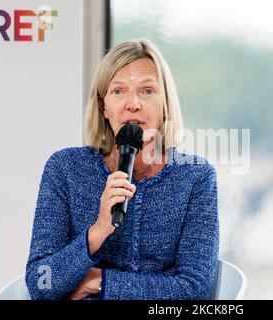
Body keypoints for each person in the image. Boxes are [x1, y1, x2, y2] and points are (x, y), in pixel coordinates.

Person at [25, 39, 219, 300]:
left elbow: (193, 290)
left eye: (147, 91)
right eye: (118, 91)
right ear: (104, 106)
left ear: (165, 103)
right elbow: (41, 282)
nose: (133, 104)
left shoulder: (196, 176)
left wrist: (98, 281)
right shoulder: (65, 169)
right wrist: (98, 230)